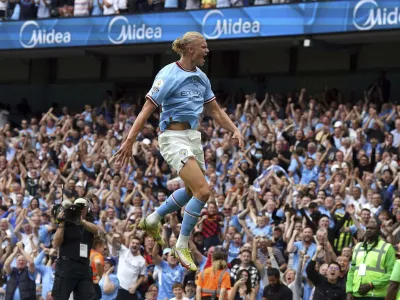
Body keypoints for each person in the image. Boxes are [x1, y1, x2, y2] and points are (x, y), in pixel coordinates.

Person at [113, 31, 244, 271]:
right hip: (173, 138)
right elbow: (146, 110)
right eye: (203, 47)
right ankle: (182, 243)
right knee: (203, 192)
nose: (207, 51)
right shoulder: (168, 74)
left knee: (191, 190)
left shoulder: (202, 78)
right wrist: (129, 140)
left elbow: (215, 111)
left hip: (193, 137)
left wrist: (234, 129)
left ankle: (153, 218)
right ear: (190, 49)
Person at [51, 198, 99, 300]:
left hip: (83, 266)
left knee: (90, 297)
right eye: (78, 207)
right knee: (60, 297)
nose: (80, 210)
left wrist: (81, 221)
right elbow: (56, 242)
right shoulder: (66, 223)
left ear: (87, 209)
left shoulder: (88, 224)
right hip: (66, 266)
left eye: (82, 207)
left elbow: (96, 231)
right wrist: (61, 224)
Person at [346, 220, 396, 300]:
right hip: (357, 294)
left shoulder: (387, 248)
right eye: (367, 228)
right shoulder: (358, 247)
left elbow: (392, 273)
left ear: (378, 231)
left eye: (372, 228)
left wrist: (371, 285)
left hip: (376, 295)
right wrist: (349, 291)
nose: (369, 230)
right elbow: (352, 270)